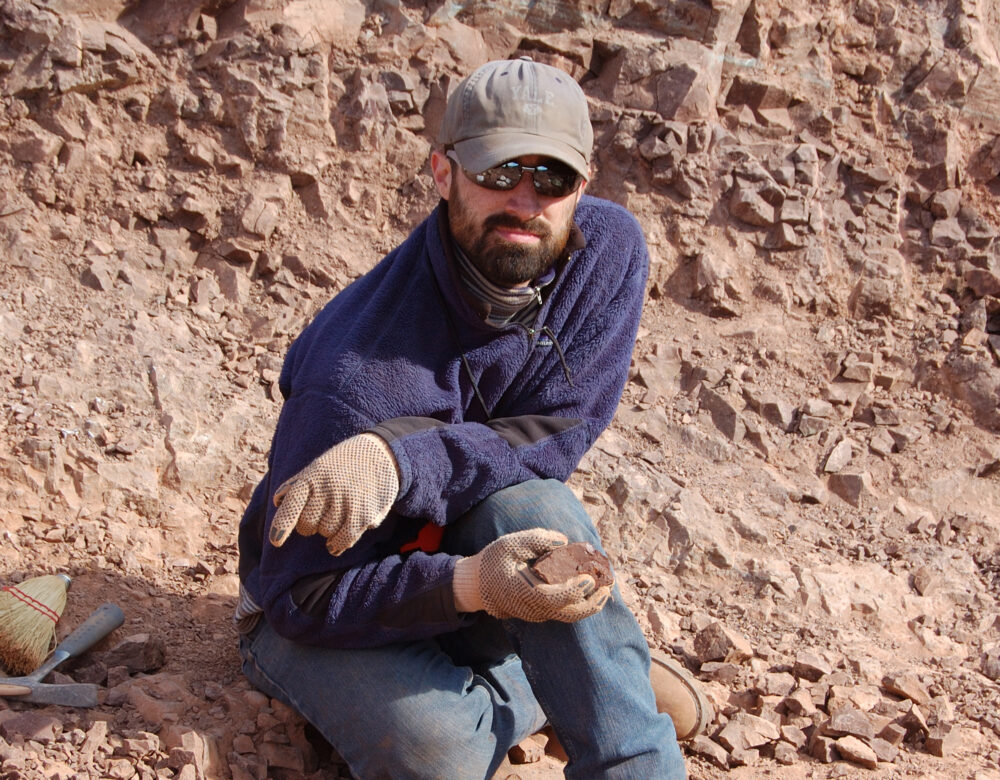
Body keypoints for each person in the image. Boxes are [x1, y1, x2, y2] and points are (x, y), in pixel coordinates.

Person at [235, 56, 709, 779]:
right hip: (321, 606)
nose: (525, 202)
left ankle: (630, 752)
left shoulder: (604, 253)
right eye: (498, 173)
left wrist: (404, 463)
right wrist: (473, 586)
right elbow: (301, 597)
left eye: (550, 179)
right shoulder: (353, 379)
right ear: (442, 172)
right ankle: (573, 684)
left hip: (461, 555)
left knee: (536, 505)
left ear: (584, 185)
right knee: (440, 752)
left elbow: (561, 427)